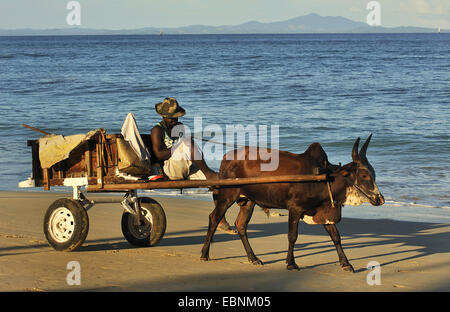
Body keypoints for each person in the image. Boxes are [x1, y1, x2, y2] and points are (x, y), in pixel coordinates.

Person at [150, 97, 236, 234]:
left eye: (176, 118)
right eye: (172, 118)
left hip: (186, 165)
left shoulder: (180, 127)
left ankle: (220, 219)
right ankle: (208, 174)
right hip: (170, 169)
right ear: (164, 116)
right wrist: (177, 147)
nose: (175, 121)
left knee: (218, 181)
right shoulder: (157, 130)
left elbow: (190, 150)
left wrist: (184, 144)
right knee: (187, 145)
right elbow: (159, 155)